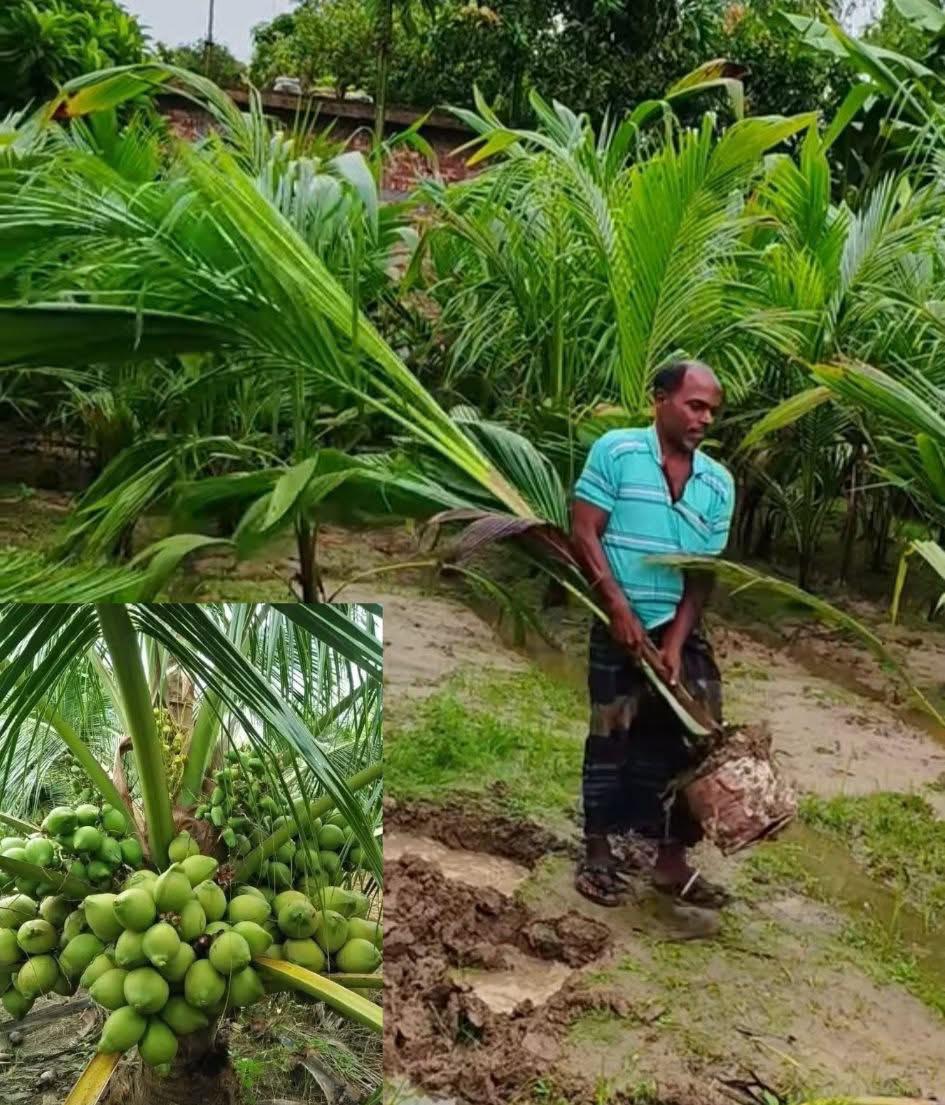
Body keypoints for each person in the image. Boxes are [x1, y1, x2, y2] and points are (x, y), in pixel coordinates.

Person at [570, 360, 735, 908]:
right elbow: (585, 531)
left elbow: (701, 575)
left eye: (712, 410)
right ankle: (598, 849)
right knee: (611, 734)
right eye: (695, 405)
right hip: (617, 617)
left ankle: (671, 860)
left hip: (676, 625)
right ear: (660, 399)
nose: (705, 419)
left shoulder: (718, 483)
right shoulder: (616, 452)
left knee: (696, 735)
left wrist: (674, 644)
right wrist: (617, 608)